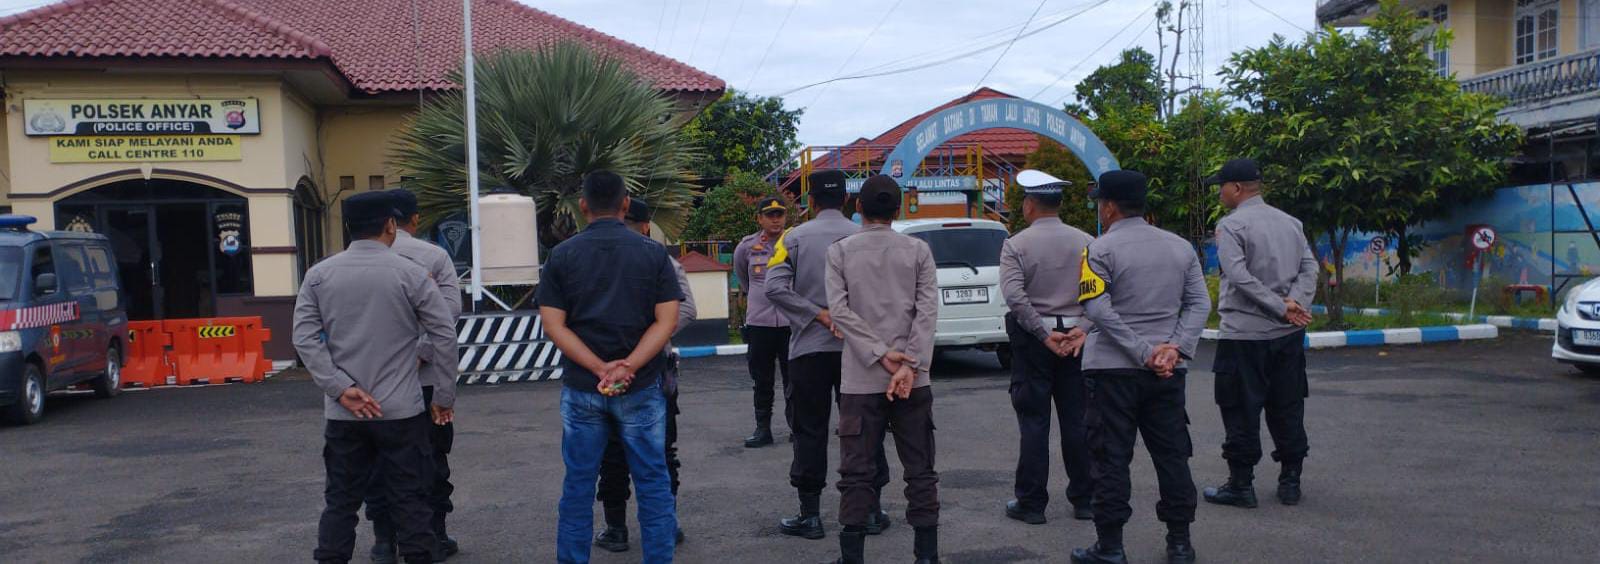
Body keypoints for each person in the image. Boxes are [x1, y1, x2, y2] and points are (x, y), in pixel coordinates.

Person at [294, 191, 459, 564]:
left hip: (345, 413)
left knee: (340, 501)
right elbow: (444, 334)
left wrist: (340, 388)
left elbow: (304, 338)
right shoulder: (411, 274)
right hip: (401, 410)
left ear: (348, 228)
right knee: (411, 499)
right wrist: (443, 397)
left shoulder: (319, 275)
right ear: (390, 225)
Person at [538, 170, 682, 564]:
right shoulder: (653, 254)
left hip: (583, 387)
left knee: (578, 486)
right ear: (625, 204)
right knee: (653, 482)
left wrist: (600, 367)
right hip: (641, 386)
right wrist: (628, 366)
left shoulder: (561, 255)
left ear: (583, 205)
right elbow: (667, 321)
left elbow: (553, 325)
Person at [1070, 170, 1210, 564]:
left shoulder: (1098, 250)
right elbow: (1199, 303)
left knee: (1110, 457)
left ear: (1109, 207)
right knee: (1172, 455)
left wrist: (1142, 351)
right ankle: (1180, 543)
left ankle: (1110, 546)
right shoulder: (1180, 248)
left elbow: (1097, 309)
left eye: (1101, 203)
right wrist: (1173, 349)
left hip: (1111, 370)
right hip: (1166, 371)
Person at [765, 169, 890, 540]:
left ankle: (811, 516)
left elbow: (774, 288)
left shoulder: (792, 237)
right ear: (848, 201)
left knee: (809, 429)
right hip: (860, 350)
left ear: (811, 201)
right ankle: (871, 511)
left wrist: (817, 314)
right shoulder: (864, 237)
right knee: (864, 428)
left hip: (810, 348)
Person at [825, 175, 942, 564]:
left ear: (857, 207)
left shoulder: (840, 252)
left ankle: (852, 556)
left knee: (856, 471)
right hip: (913, 378)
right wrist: (909, 363)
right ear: (898, 209)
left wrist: (879, 354)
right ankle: (926, 555)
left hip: (861, 379)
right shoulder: (919, 251)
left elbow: (839, 311)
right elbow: (927, 312)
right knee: (920, 469)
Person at [1201, 159, 1317, 509]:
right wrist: (1293, 303)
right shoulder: (1291, 222)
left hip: (1244, 335)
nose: (1219, 193)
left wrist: (1280, 306)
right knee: (1288, 405)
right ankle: (1291, 481)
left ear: (1236, 188)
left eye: (1221, 186)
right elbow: (1309, 267)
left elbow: (1237, 276)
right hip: (1287, 334)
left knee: (1239, 409)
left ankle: (1241, 485)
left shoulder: (1231, 225)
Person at [364, 189, 463, 564]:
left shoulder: (349, 263)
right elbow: (448, 315)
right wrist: (420, 351)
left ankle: (383, 541)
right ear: (414, 219)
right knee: (431, 458)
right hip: (427, 382)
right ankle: (433, 536)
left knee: (379, 460)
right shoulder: (435, 257)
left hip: (374, 382)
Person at [594, 198, 698, 552]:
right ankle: (660, 524)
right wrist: (653, 338)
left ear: (642, 226)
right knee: (658, 449)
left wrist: (631, 346)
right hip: (653, 366)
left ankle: (618, 528)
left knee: (616, 451)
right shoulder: (662, 261)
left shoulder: (599, 260)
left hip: (611, 367)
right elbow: (686, 310)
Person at [999, 170, 1096, 525]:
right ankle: (1086, 499)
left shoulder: (1016, 245)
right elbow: (1099, 294)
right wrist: (1081, 329)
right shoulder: (1086, 241)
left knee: (1034, 421)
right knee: (1078, 420)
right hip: (1077, 340)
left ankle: (1032, 503)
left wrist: (1043, 334)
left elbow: (1014, 296)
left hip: (1034, 340)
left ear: (1029, 204)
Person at [732, 197, 792, 448]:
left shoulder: (794, 242)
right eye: (770, 215)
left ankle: (797, 427)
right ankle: (762, 428)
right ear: (759, 219)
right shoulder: (747, 247)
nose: (775, 220)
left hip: (790, 322)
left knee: (794, 379)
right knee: (761, 379)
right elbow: (743, 278)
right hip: (760, 323)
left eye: (779, 214)